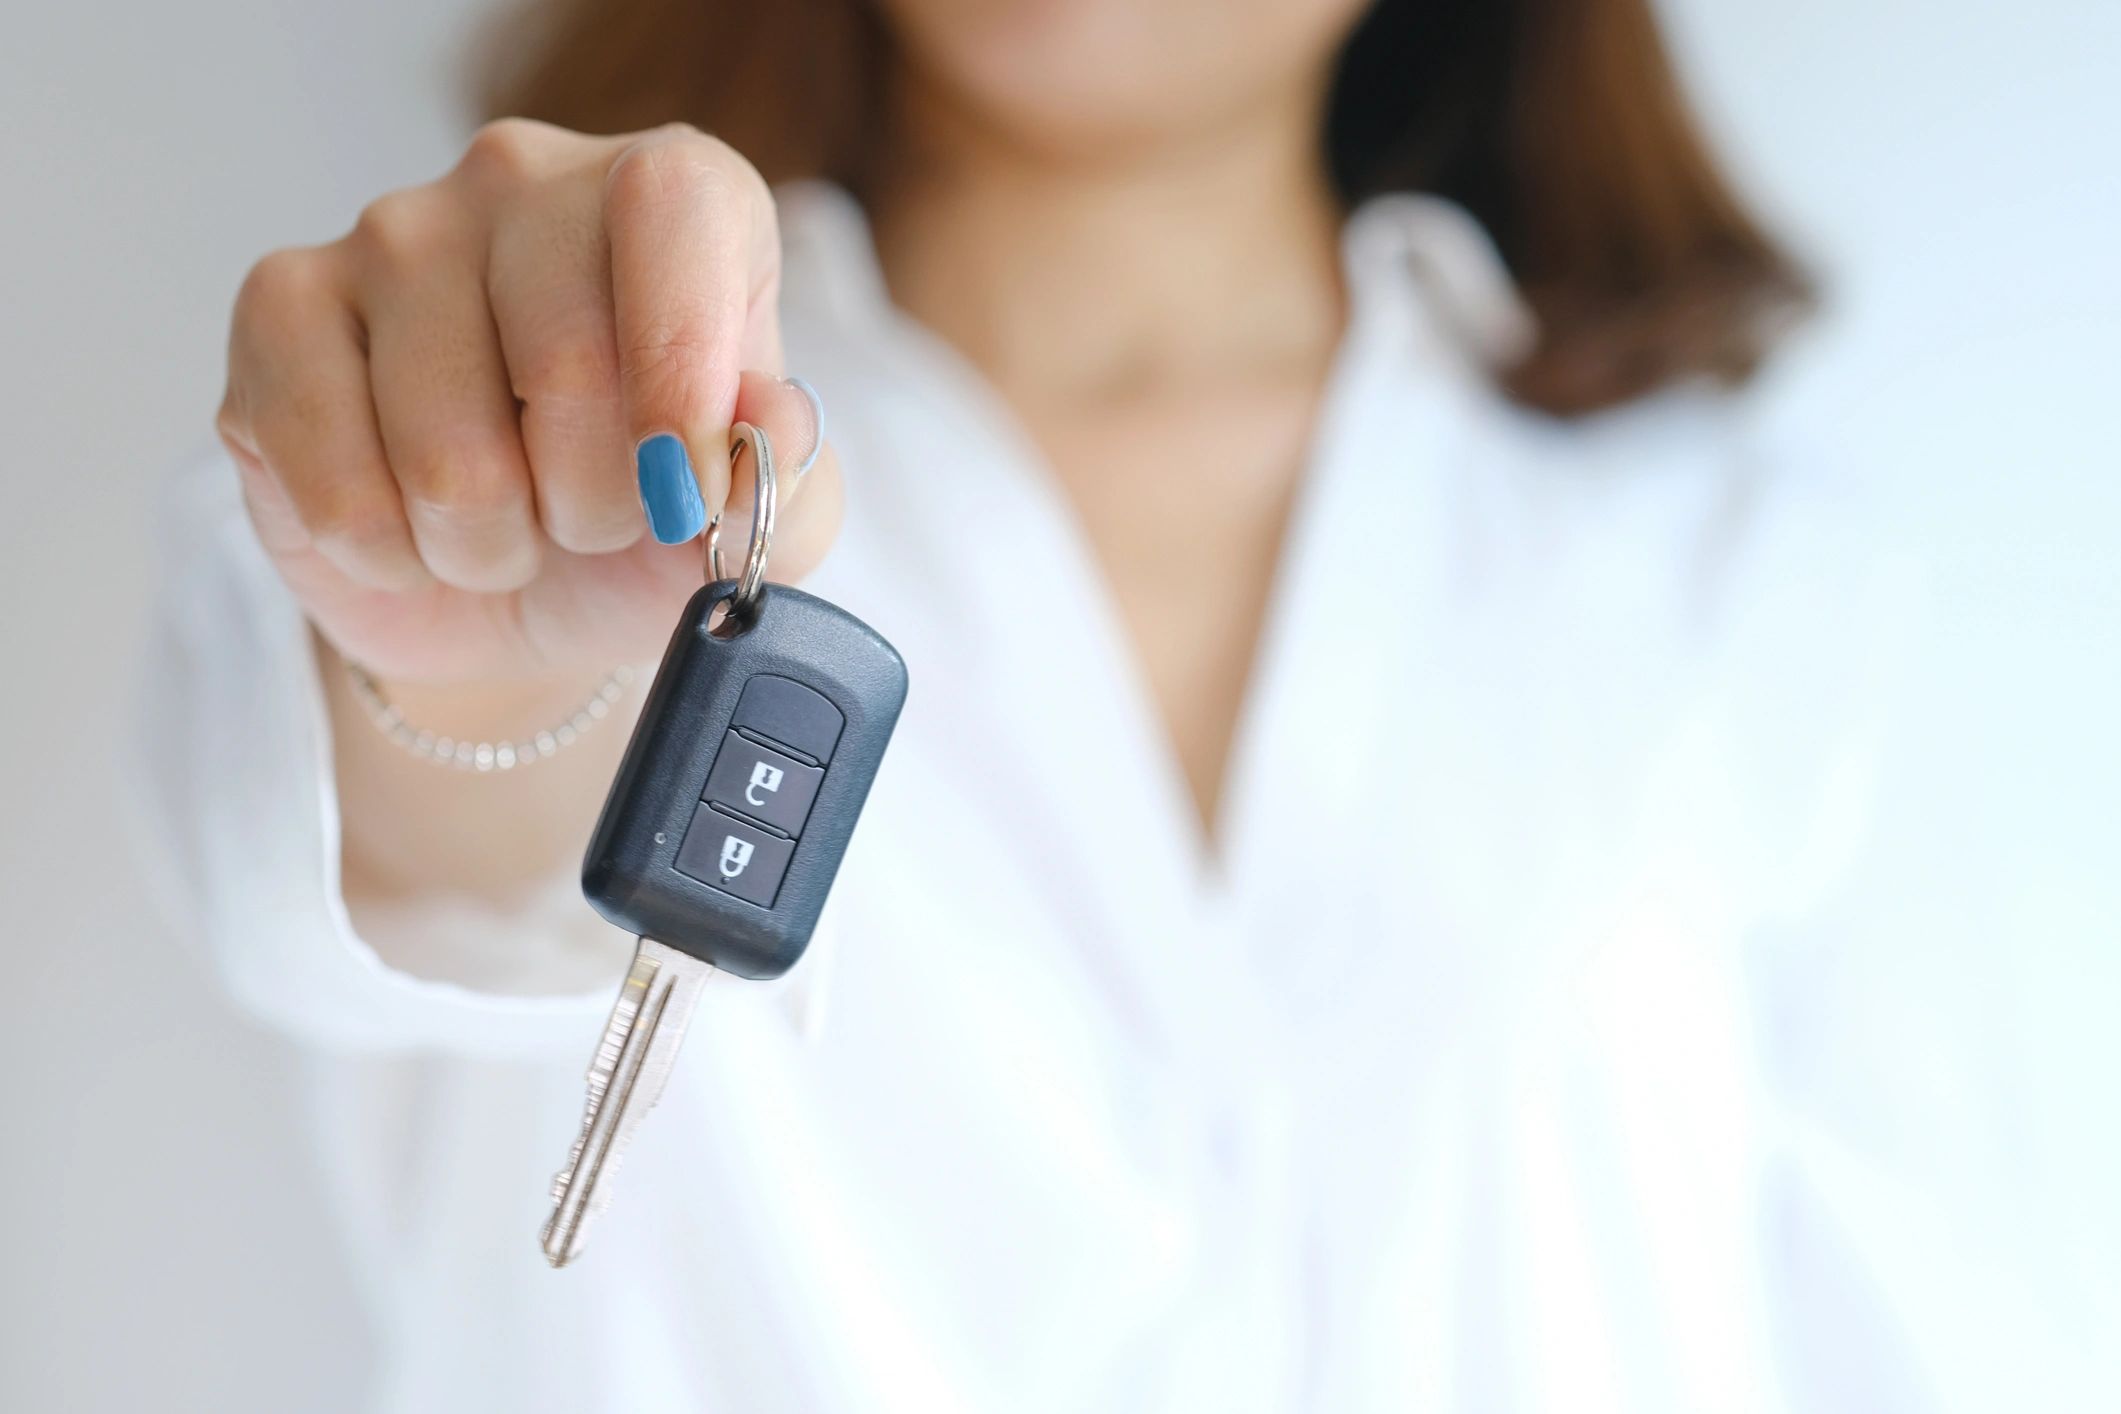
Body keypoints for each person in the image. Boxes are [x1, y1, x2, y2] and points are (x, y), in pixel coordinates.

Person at [136, 0, 2088, 1409]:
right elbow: (362, 829)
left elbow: (1936, 1329)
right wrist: (468, 606)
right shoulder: (496, 418)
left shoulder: (1745, 579)